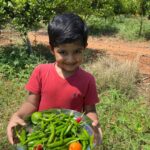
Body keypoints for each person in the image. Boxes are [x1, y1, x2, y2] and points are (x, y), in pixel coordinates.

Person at [7, 13, 102, 145]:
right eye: (63, 52)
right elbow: (31, 103)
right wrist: (18, 116)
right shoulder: (40, 72)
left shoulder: (88, 80)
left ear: (84, 47)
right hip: (42, 133)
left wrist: (93, 123)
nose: (70, 59)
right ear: (52, 49)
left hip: (70, 136)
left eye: (77, 51)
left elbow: (90, 110)